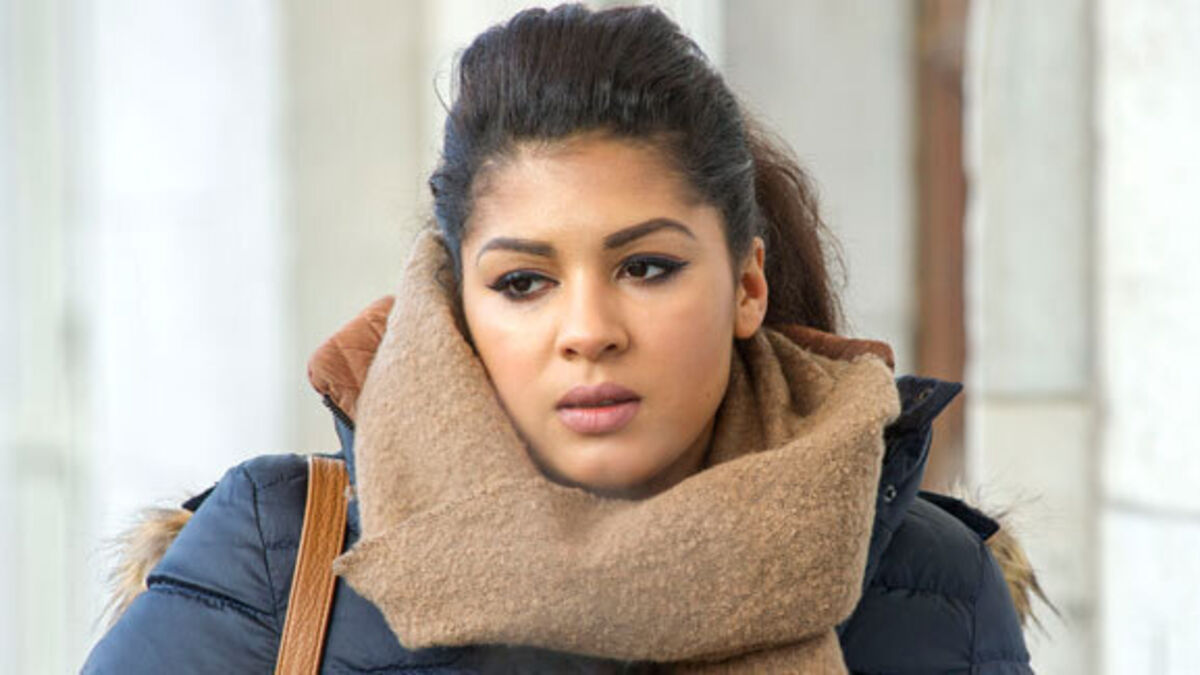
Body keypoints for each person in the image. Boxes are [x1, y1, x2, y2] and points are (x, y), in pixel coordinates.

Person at [83, 4, 1042, 673]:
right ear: (459, 307)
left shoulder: (932, 587)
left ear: (746, 284)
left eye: (646, 267)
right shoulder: (273, 558)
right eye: (523, 283)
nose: (587, 332)